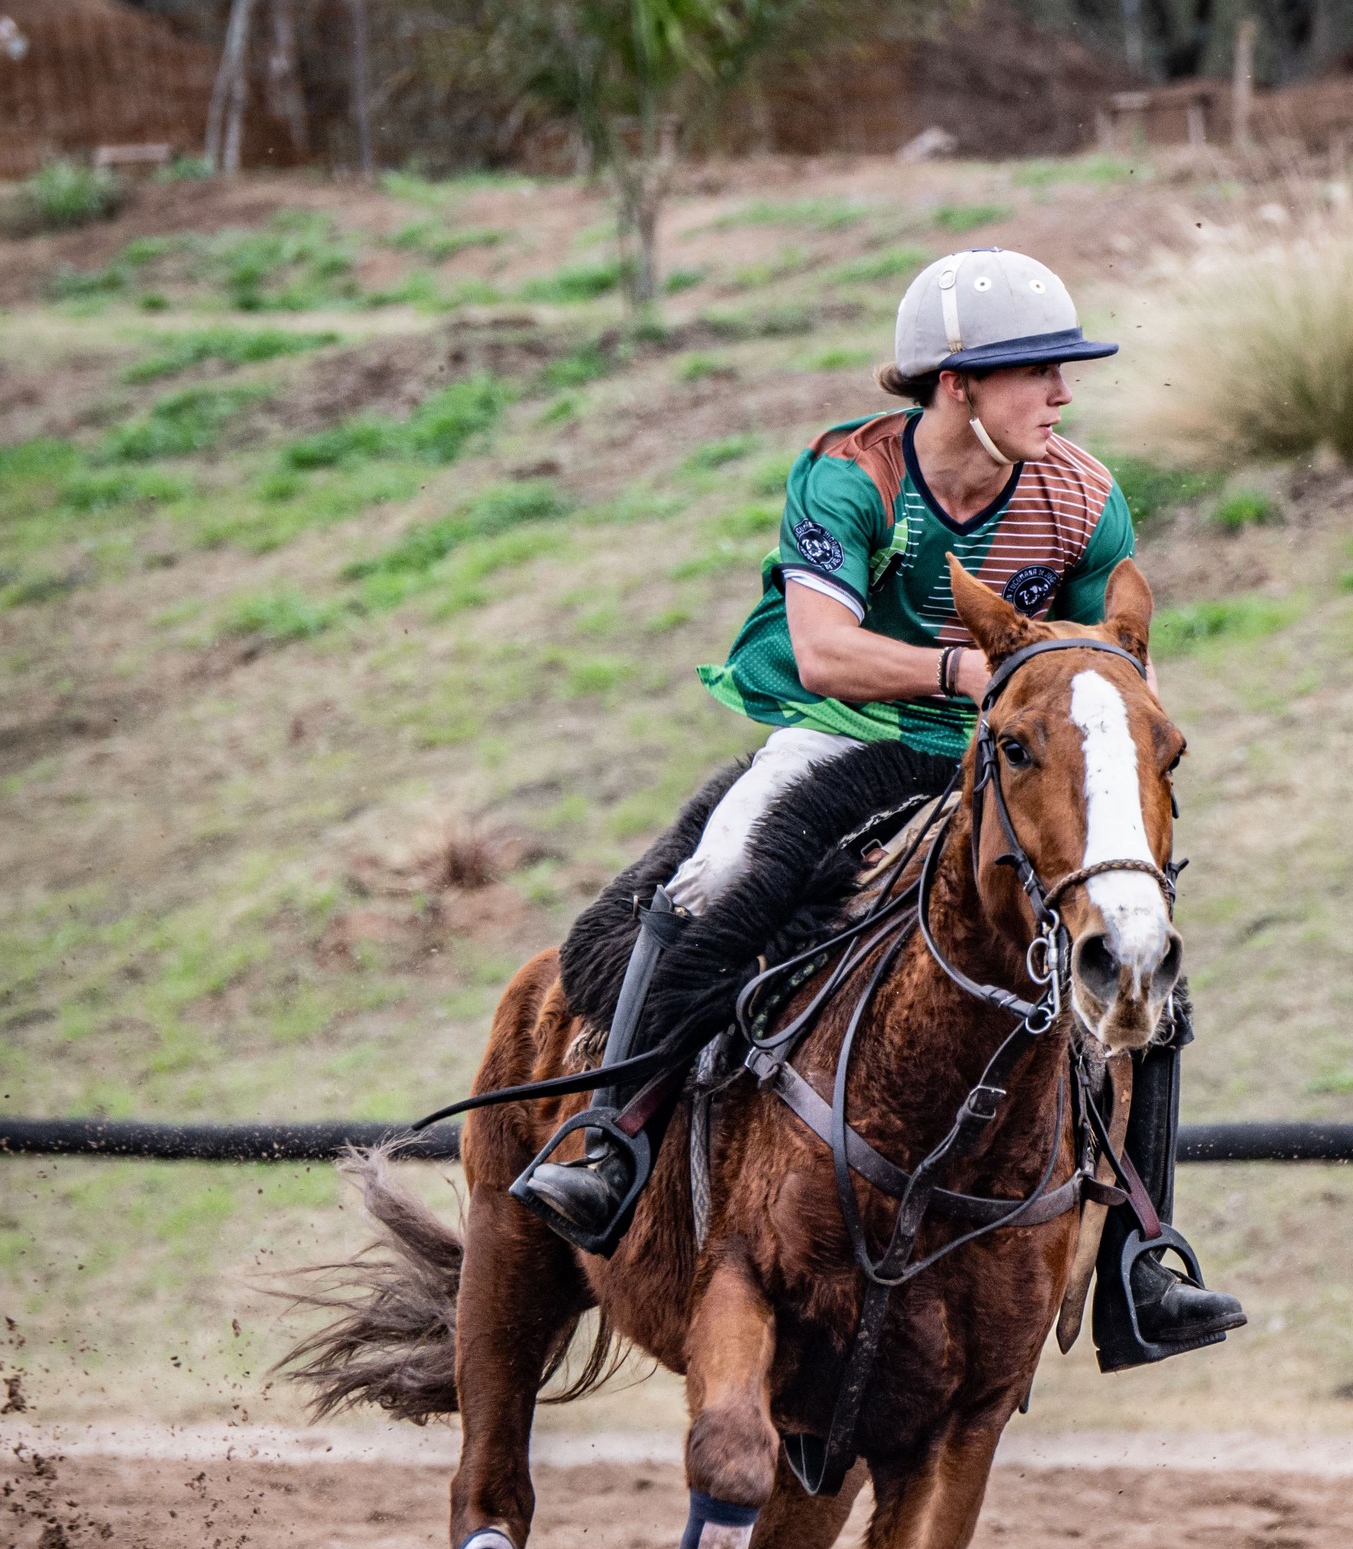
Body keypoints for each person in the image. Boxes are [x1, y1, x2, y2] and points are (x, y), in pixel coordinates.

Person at [518, 247, 1245, 1364]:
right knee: (714, 884)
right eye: (1035, 374)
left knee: (1141, 948)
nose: (1060, 395)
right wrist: (971, 676)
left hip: (1003, 765)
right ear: (955, 385)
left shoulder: (1084, 495)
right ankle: (611, 1141)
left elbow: (1111, 661)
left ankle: (1141, 1258)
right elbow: (821, 651)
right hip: (848, 739)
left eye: (1062, 374)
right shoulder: (849, 475)